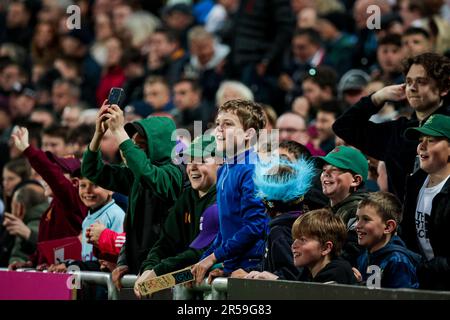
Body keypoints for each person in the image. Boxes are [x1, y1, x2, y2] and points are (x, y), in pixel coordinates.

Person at [82, 101, 183, 288]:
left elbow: (151, 177)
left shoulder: (176, 172)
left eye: (140, 146)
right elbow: (92, 171)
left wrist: (120, 132)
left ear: (159, 145)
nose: (130, 150)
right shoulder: (134, 175)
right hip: (137, 270)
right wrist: (98, 134)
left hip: (165, 273)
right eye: (132, 144)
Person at [332, 52, 450, 200]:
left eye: (421, 82)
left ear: (444, 89)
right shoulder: (397, 131)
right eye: (408, 81)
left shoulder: (448, 129)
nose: (412, 88)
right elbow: (344, 126)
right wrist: (378, 97)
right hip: (400, 220)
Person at [191, 99, 267, 284]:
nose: (219, 129)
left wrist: (214, 258)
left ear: (249, 134)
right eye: (218, 124)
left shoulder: (252, 169)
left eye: (228, 124)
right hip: (233, 265)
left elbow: (255, 226)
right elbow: (226, 231)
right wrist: (206, 260)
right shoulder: (224, 169)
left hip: (251, 267)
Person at [134, 134, 219, 298]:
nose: (192, 166)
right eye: (189, 159)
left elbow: (201, 251)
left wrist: (158, 272)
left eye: (201, 160)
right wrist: (148, 269)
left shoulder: (224, 199)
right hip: (190, 282)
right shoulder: (186, 196)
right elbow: (166, 242)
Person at [8, 127, 88, 269]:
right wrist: (30, 263)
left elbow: (53, 176)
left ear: (75, 182)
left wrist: (28, 150)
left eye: (59, 172)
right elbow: (46, 248)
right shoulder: (51, 208)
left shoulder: (73, 201)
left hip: (72, 281)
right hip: (52, 278)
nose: (46, 179)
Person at [232, 152, 316, 281]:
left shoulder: (280, 232)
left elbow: (293, 274)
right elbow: (271, 264)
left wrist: (263, 277)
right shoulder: (302, 224)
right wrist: (248, 271)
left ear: (269, 204)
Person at [402, 114, 450, 290]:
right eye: (421, 140)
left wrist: (424, 268)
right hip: (423, 282)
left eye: (431, 140)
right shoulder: (415, 183)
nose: (421, 146)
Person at [46, 176, 125, 272]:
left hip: (106, 284)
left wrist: (75, 266)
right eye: (83, 185)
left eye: (95, 185)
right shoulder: (87, 219)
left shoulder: (116, 215)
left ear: (111, 189)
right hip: (91, 279)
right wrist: (68, 264)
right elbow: (87, 260)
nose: (88, 191)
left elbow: (114, 261)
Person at [355, 192, 420, 288]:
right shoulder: (364, 256)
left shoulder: (398, 261)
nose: (357, 226)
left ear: (388, 227)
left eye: (366, 219)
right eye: (357, 218)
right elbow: (373, 291)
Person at [316, 146, 369, 266]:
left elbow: (352, 253)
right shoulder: (326, 210)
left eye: (334, 169)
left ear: (355, 180)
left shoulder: (361, 212)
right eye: (324, 169)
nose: (326, 174)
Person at [292, 209, 356, 284]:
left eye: (302, 240)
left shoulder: (337, 274)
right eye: (295, 239)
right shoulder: (307, 272)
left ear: (326, 248)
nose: (293, 245)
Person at [1, 182, 47, 267]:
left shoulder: (22, 226)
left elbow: (18, 257)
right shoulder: (50, 218)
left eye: (13, 204)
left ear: (20, 207)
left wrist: (15, 263)